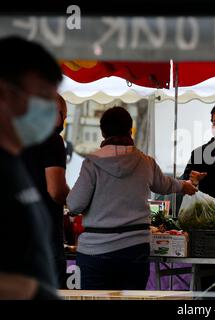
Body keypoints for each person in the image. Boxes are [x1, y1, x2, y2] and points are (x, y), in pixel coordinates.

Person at [67, 106, 197, 290]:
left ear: (103, 132)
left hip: (96, 251)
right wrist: (184, 185)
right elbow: (165, 184)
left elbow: (74, 204)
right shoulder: (145, 161)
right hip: (134, 249)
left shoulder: (92, 163)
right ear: (130, 129)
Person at [0, 36, 62, 299]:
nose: (49, 112)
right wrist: (31, 290)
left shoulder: (14, 162)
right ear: (4, 92)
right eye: (42, 97)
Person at [22, 94, 71, 288]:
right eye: (64, 115)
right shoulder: (51, 139)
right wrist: (76, 200)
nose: (64, 121)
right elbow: (56, 190)